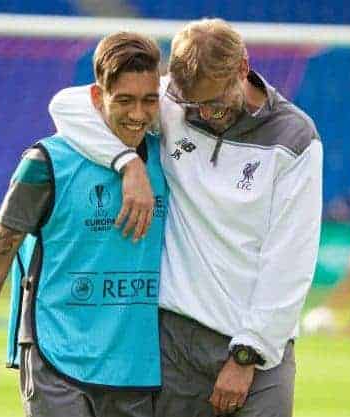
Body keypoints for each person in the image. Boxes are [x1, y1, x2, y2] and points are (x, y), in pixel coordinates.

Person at [49, 18, 323, 417]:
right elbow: (67, 105)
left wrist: (247, 355)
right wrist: (127, 163)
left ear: (242, 69)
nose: (205, 114)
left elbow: (290, 262)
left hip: (259, 355)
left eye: (214, 102)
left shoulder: (296, 139)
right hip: (172, 345)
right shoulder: (175, 103)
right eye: (194, 104)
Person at [0, 32, 167, 417]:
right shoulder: (45, 163)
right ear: (97, 97)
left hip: (135, 368)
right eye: (124, 100)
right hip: (56, 358)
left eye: (149, 100)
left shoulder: (170, 160)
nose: (138, 114)